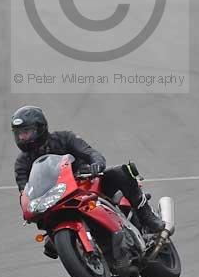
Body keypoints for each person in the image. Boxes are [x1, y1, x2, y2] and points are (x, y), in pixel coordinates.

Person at [12, 105, 164, 257]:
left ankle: (146, 215)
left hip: (86, 184)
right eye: (19, 134)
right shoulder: (22, 163)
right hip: (55, 199)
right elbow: (25, 191)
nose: (22, 138)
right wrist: (27, 207)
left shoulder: (64, 138)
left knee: (121, 172)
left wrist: (95, 164)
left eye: (26, 132)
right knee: (49, 243)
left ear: (40, 128)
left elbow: (89, 152)